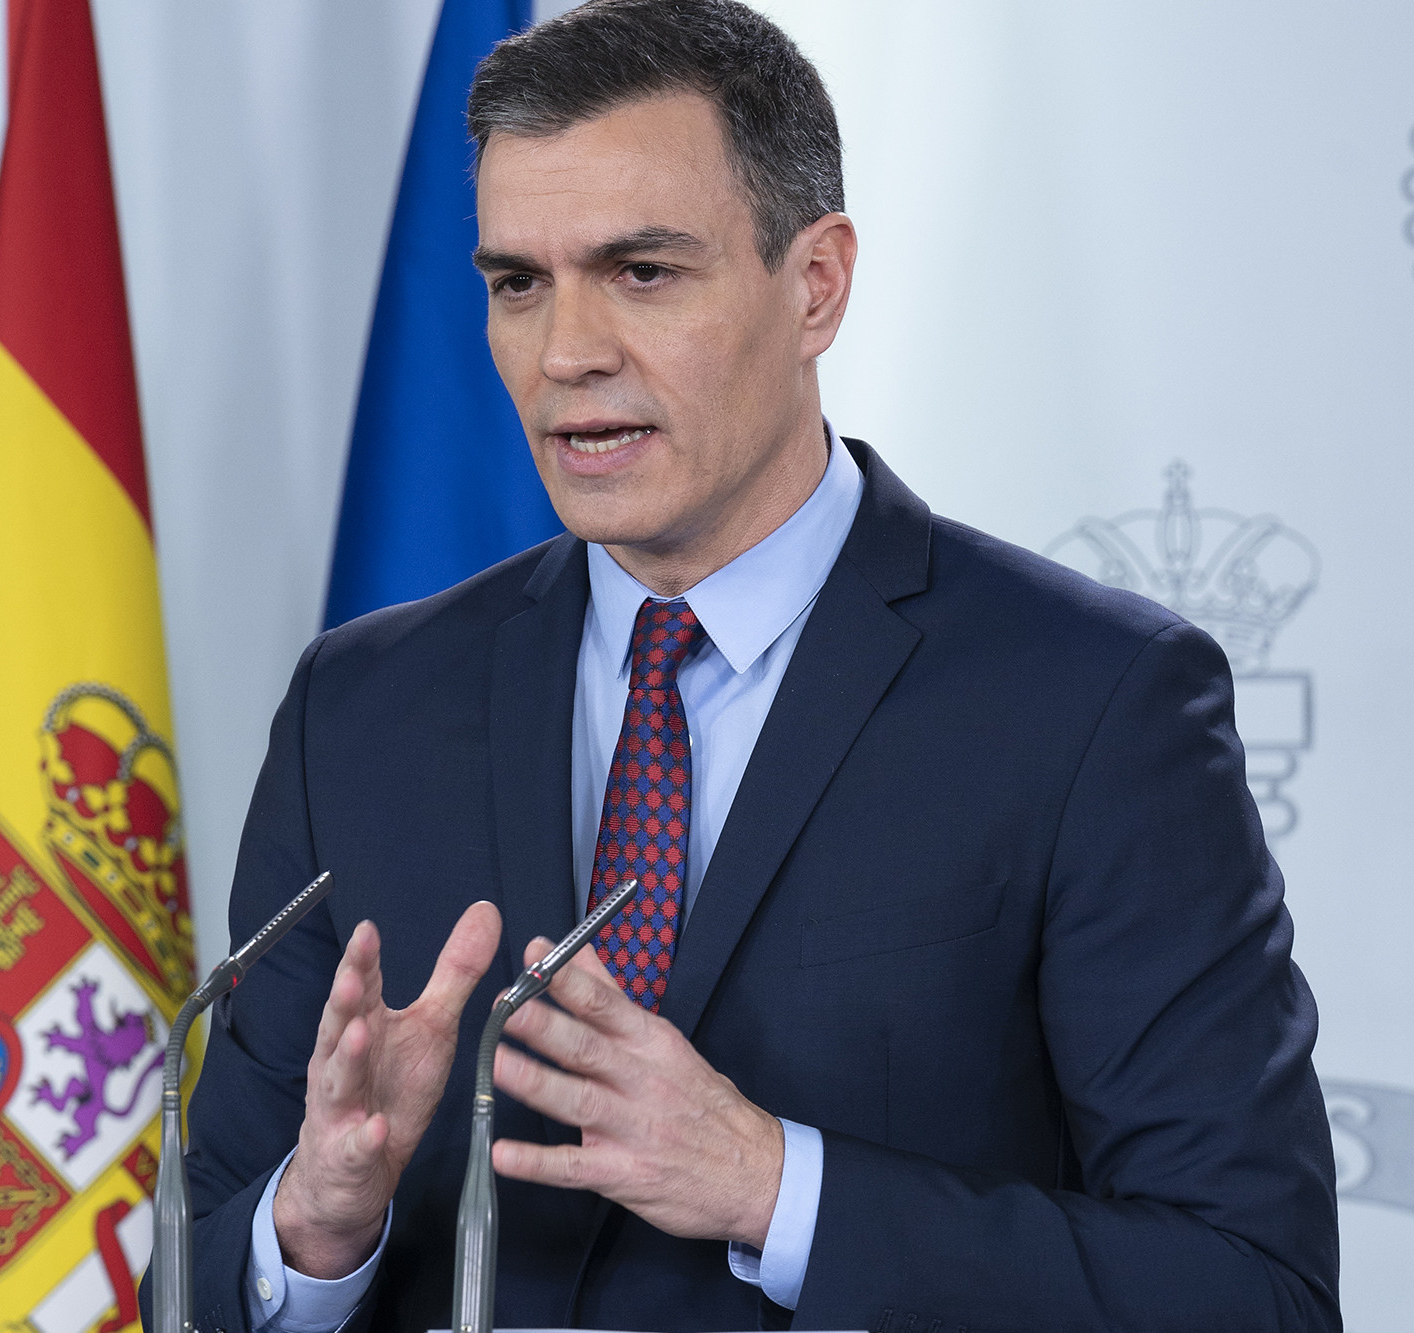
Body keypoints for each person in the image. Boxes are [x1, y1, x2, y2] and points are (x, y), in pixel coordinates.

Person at [147, 2, 1340, 1329]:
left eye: (642, 272)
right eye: (518, 283)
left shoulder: (1094, 705)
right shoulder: (363, 708)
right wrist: (315, 1227)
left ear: (816, 283)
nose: (567, 352)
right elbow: (191, 1280)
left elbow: (1253, 1291)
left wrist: (776, 1186)